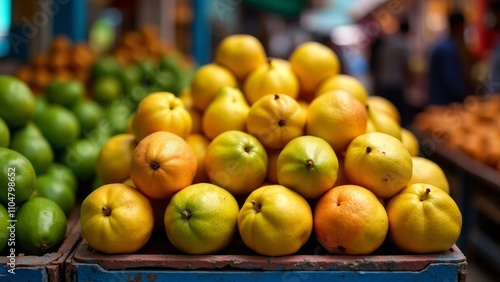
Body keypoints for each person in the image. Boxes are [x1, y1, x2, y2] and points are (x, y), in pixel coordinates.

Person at [370, 20, 412, 126]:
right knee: (398, 112)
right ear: (408, 31)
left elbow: (379, 61)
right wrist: (410, 81)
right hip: (396, 82)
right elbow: (406, 65)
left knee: (385, 111)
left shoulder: (390, 43)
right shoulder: (403, 44)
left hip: (384, 80)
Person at [427, 11, 474, 105]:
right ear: (459, 26)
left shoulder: (443, 44)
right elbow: (451, 79)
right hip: (445, 102)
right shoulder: (448, 49)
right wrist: (465, 95)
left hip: (438, 99)